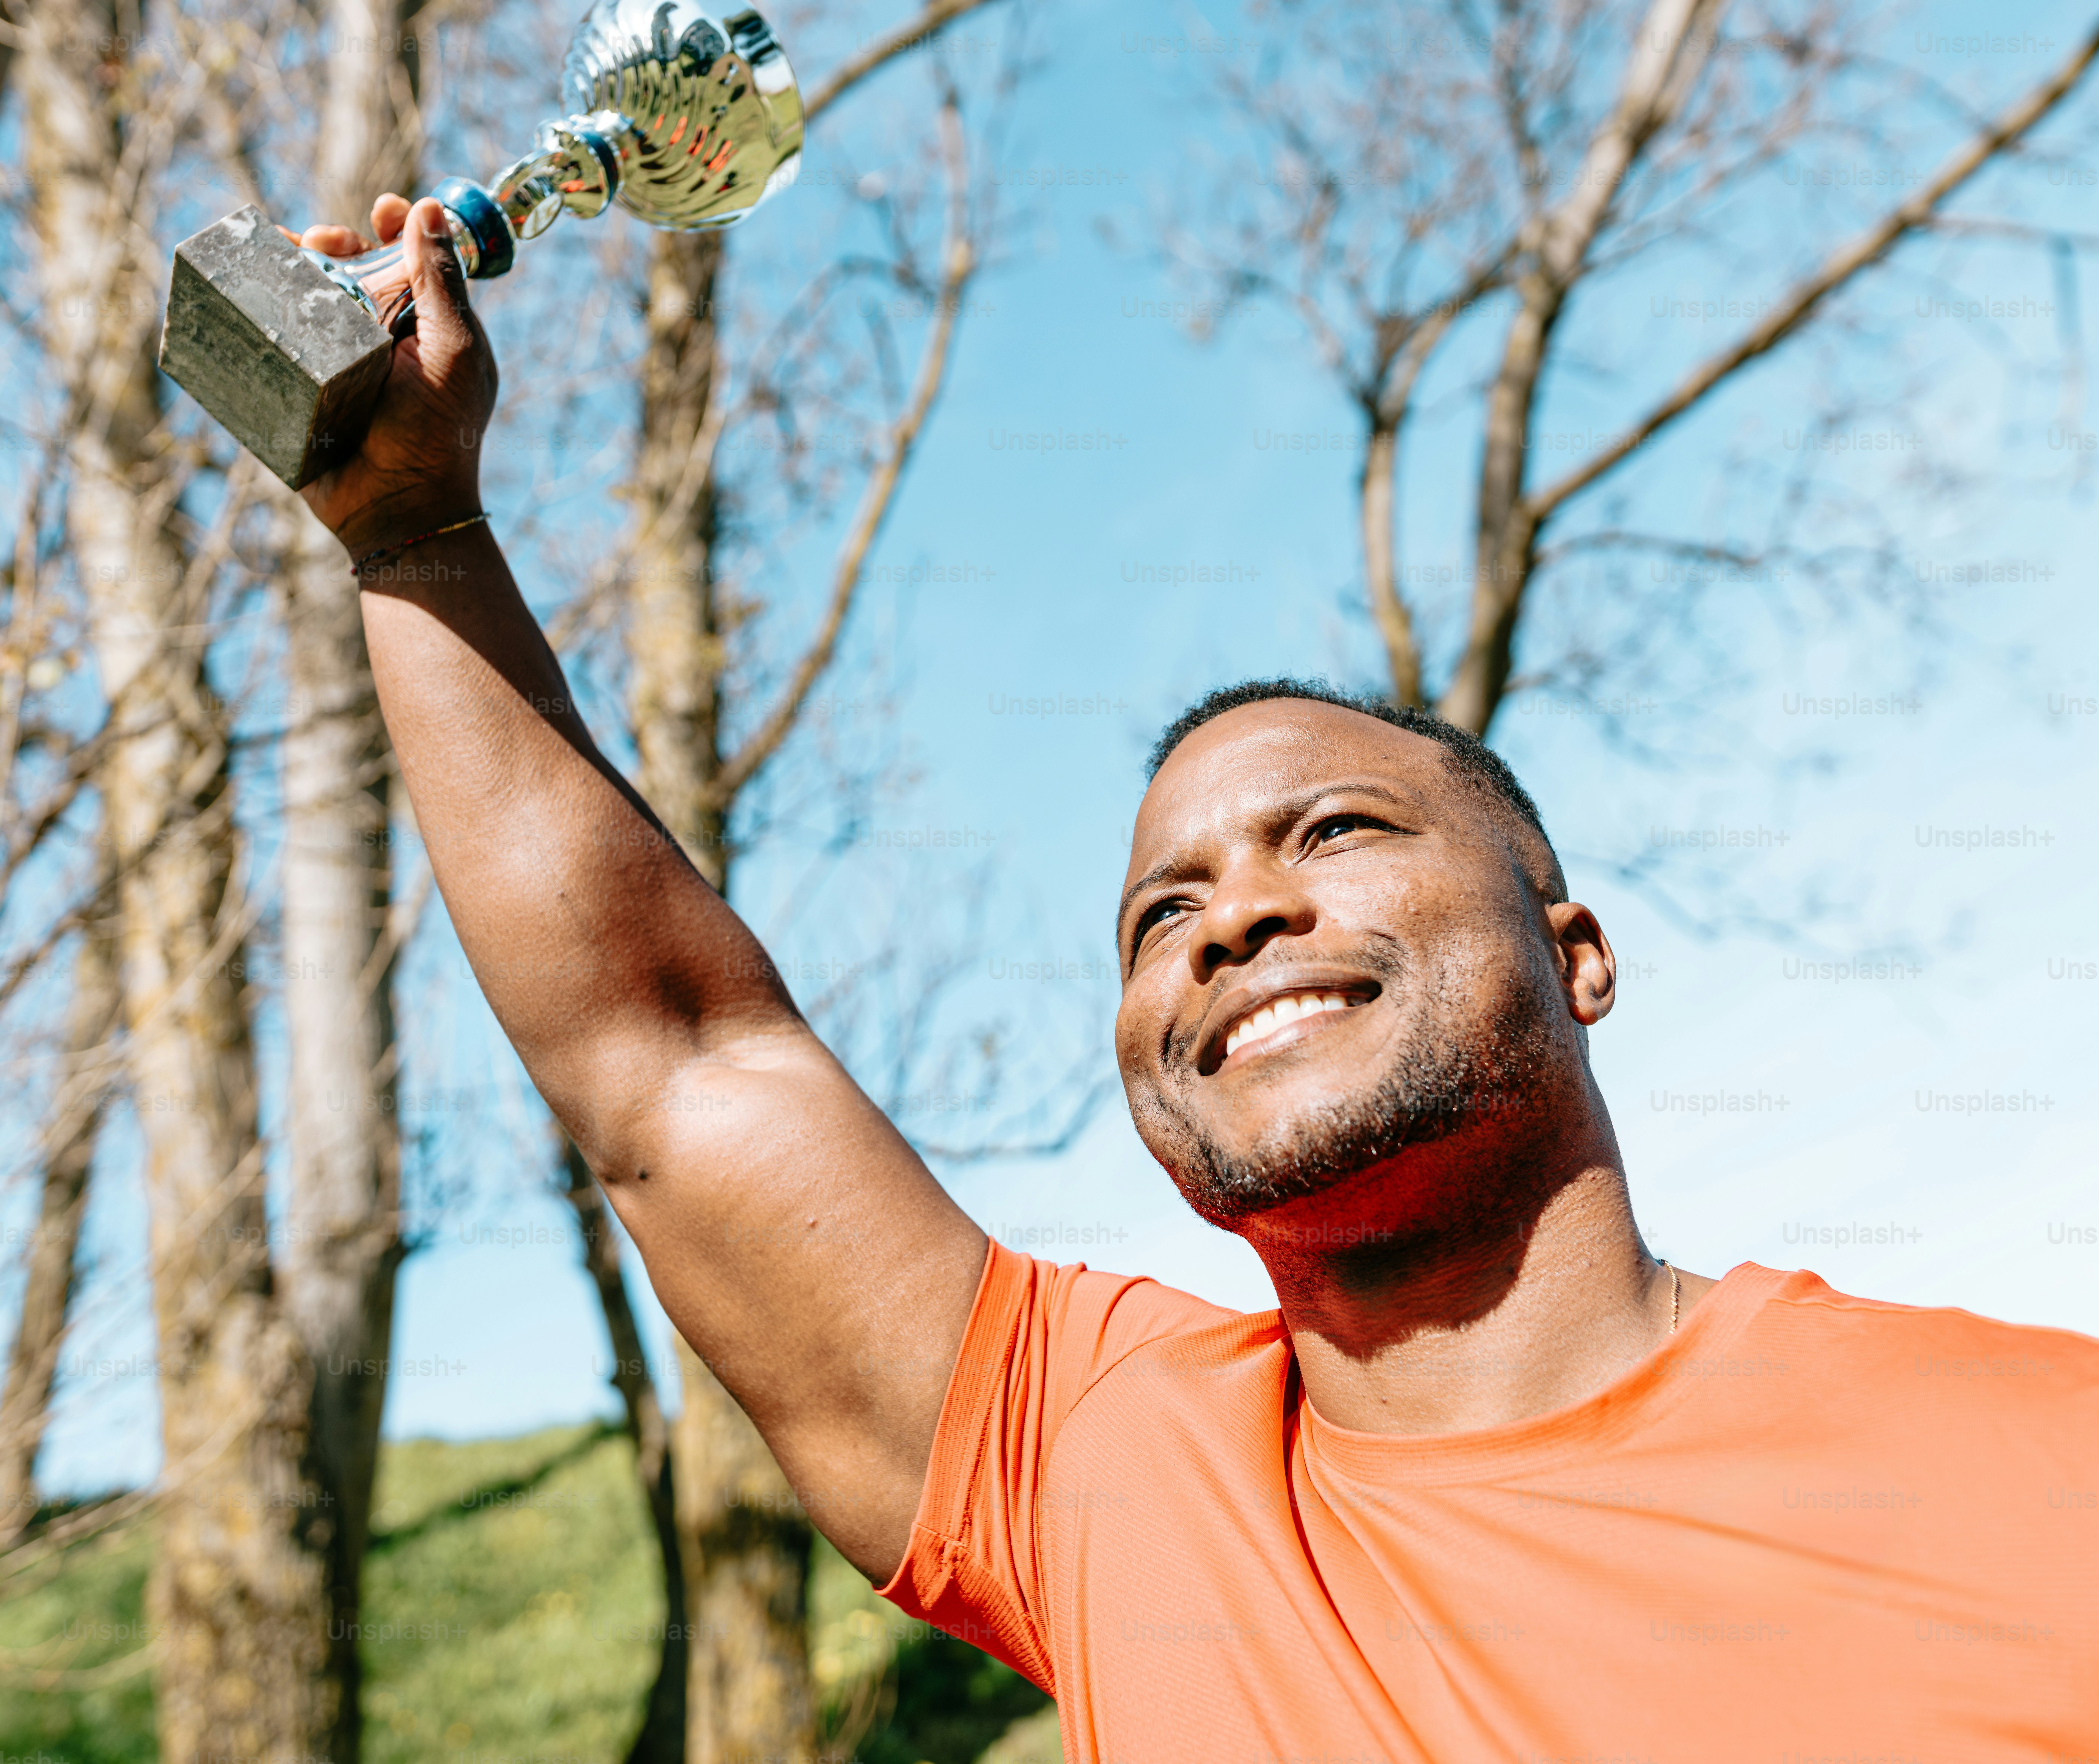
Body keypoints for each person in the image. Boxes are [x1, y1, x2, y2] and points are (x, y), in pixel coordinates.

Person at [296, 196, 2097, 1762]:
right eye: (1160, 916)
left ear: (1579, 956)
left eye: (1329, 835)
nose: (1228, 919)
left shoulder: (2040, 1460)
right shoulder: (1107, 1465)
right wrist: (410, 528)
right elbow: (673, 1064)